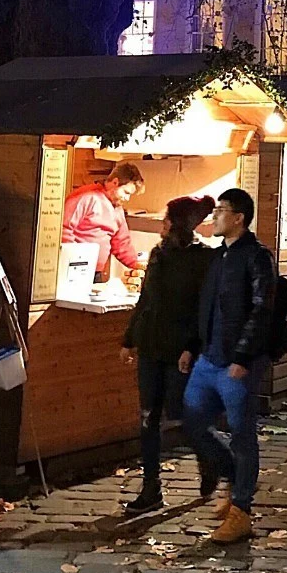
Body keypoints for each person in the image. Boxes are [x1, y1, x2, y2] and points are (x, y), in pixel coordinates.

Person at [181, 188, 276, 544]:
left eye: (221, 211)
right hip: (208, 358)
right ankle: (232, 475)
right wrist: (192, 347)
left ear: (239, 217)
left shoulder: (256, 258)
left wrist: (243, 356)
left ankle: (241, 510)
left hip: (238, 364)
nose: (214, 216)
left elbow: (260, 309)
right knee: (191, 421)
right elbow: (204, 307)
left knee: (242, 434)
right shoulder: (218, 257)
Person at [120, 196, 215, 515]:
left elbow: (203, 311)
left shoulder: (204, 259)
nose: (162, 225)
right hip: (151, 346)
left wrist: (192, 347)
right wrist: (129, 339)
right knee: (148, 419)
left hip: (180, 352)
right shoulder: (159, 254)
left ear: (179, 225)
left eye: (167, 220)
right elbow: (145, 298)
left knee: (182, 416)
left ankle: (209, 459)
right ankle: (151, 488)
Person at [62, 162, 146, 282]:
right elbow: (63, 229)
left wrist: (137, 265)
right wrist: (74, 259)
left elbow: (121, 243)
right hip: (73, 269)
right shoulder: (86, 197)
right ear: (115, 182)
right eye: (126, 192)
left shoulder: (117, 209)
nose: (127, 199)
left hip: (96, 272)